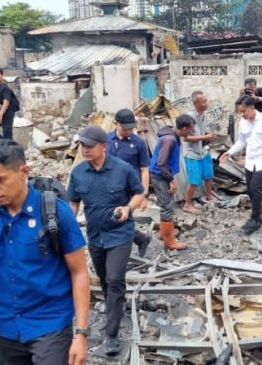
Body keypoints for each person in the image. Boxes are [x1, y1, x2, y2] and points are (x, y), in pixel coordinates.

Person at [0, 139, 90, 365]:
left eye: (0, 179)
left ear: (23, 172)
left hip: (49, 326)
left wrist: (80, 333)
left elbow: (79, 272)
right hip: (2, 328)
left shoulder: (54, 214)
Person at [67, 126, 144, 356]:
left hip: (120, 234)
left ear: (104, 146)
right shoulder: (79, 173)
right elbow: (73, 204)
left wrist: (128, 208)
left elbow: (139, 193)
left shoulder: (122, 170)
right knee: (104, 280)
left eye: (90, 146)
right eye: (82, 146)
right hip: (95, 237)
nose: (85, 150)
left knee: (115, 279)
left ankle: (112, 335)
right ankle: (114, 307)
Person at [220, 96, 262, 235]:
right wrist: (229, 152)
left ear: (252, 107)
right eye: (240, 112)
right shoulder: (243, 122)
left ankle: (256, 219)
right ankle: (259, 210)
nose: (242, 114)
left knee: (255, 188)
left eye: (244, 111)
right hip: (250, 161)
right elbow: (242, 141)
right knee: (250, 189)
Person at [106, 108, 152, 257]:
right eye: (125, 128)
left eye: (131, 128)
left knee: (122, 218)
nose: (128, 131)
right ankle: (141, 239)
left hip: (129, 190)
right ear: (115, 123)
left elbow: (144, 169)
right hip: (108, 187)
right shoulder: (106, 141)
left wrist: (144, 195)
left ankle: (118, 253)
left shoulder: (138, 142)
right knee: (114, 219)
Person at [149, 115, 194, 250]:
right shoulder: (170, 139)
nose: (191, 132)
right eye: (191, 129)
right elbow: (161, 163)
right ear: (184, 128)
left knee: (166, 204)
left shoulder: (171, 134)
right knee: (167, 206)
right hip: (161, 175)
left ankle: (165, 232)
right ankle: (169, 241)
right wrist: (171, 180)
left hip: (161, 174)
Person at [183, 91, 218, 214]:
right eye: (203, 101)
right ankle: (187, 204)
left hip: (203, 150)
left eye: (206, 100)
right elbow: (185, 137)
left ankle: (209, 196)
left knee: (209, 175)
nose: (206, 103)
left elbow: (202, 133)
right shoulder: (189, 117)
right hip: (192, 153)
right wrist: (205, 137)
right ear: (196, 103)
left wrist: (207, 138)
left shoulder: (204, 115)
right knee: (194, 180)